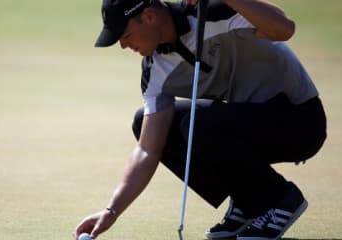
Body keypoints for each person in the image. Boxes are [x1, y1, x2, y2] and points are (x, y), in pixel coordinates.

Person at [74, 0, 327, 239]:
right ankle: (249, 201)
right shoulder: (154, 69)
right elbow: (147, 150)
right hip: (243, 129)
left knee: (202, 123)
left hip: (300, 121)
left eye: (124, 35)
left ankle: (280, 199)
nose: (122, 45)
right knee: (146, 122)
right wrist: (111, 211)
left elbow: (285, 28)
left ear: (149, 16)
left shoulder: (214, 12)